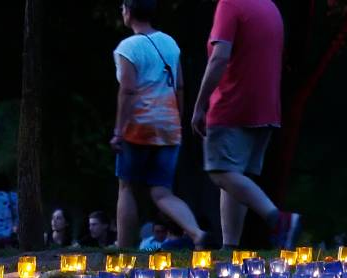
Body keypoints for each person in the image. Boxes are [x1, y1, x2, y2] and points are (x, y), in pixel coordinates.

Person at [192, 0, 301, 250]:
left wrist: (200, 105)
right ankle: (230, 247)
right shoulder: (270, 7)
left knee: (219, 171)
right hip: (266, 107)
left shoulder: (230, 4)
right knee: (236, 176)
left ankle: (279, 219)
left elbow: (219, 58)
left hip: (233, 104)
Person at [112, 0, 210, 250]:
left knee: (127, 187)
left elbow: (128, 90)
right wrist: (177, 120)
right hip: (168, 125)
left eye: (123, 8)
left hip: (139, 126)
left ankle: (124, 250)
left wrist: (119, 130)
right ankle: (197, 233)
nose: (122, 12)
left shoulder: (127, 48)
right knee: (161, 191)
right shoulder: (170, 43)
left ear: (130, 12)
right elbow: (179, 86)